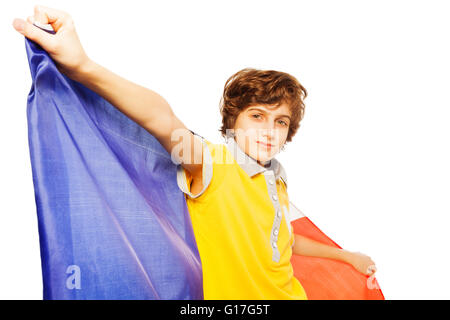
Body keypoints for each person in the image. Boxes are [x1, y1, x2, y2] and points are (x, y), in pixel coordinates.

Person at [13, 5, 377, 299]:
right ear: (233, 121)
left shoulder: (275, 181)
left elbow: (286, 243)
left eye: (281, 122)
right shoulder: (212, 164)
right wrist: (84, 67)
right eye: (257, 116)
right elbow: (162, 117)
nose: (269, 129)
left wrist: (346, 257)